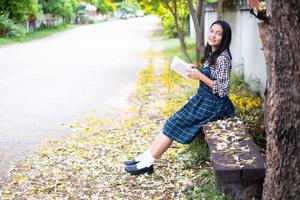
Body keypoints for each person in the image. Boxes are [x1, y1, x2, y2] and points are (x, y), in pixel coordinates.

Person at [124, 20, 235, 175]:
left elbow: (223, 91)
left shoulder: (223, 59)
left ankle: (147, 163)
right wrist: (195, 71)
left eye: (219, 34)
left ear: (224, 38)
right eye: (212, 31)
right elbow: (211, 77)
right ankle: (144, 158)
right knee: (171, 122)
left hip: (215, 106)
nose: (213, 36)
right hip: (204, 100)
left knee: (174, 124)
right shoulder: (212, 53)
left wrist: (200, 76)